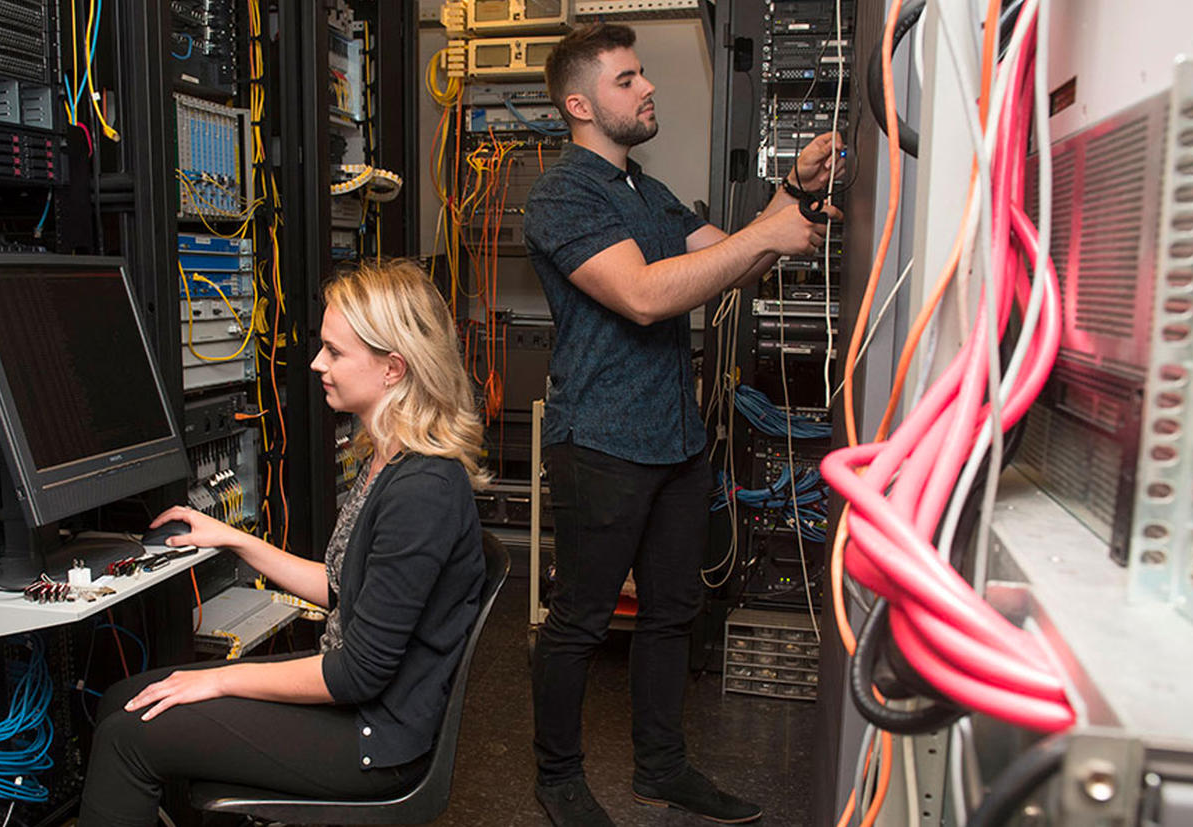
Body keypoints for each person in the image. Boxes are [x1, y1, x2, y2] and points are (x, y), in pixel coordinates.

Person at [523, 23, 845, 827]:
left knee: (673, 612)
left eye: (642, 77)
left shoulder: (646, 191)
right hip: (599, 439)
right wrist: (770, 229)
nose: (647, 88)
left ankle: (662, 769)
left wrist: (793, 198)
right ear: (581, 104)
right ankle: (557, 778)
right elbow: (642, 294)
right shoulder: (565, 193)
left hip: (675, 439)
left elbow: (735, 257)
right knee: (580, 621)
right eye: (628, 79)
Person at [78, 260, 489, 826]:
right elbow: (340, 588)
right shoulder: (389, 458)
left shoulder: (422, 491)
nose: (317, 363)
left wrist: (217, 677)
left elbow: (357, 674)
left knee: (130, 733)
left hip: (375, 738)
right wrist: (234, 539)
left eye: (335, 352)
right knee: (122, 697)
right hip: (359, 702)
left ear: (393, 368)